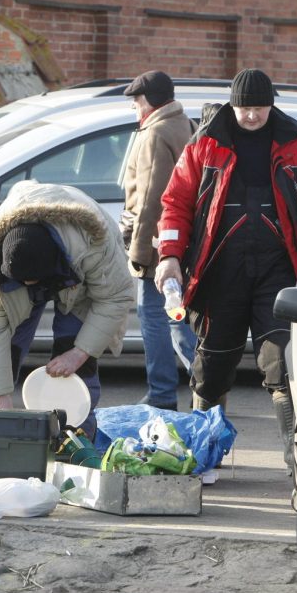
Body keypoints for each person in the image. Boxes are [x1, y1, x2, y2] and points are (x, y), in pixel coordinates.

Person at [154, 68, 297, 474]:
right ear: (232, 106)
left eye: (260, 108)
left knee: (283, 366)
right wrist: (168, 255)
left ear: (272, 105)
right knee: (211, 368)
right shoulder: (204, 145)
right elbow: (175, 204)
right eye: (244, 108)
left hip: (280, 272)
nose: (252, 116)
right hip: (220, 270)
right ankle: (204, 457)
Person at [0, 180, 134, 439]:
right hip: (17, 279)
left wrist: (79, 353)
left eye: (34, 283)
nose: (31, 287)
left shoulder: (95, 242)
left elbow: (116, 298)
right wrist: (0, 401)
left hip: (77, 279)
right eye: (23, 282)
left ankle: (73, 439)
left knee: (74, 359)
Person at [120, 70, 197, 410]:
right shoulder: (185, 124)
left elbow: (152, 197)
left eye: (137, 102)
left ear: (149, 102)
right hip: (180, 240)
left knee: (154, 317)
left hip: (157, 245)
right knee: (177, 316)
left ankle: (163, 394)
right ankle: (206, 384)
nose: (136, 109)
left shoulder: (154, 134)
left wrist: (138, 250)